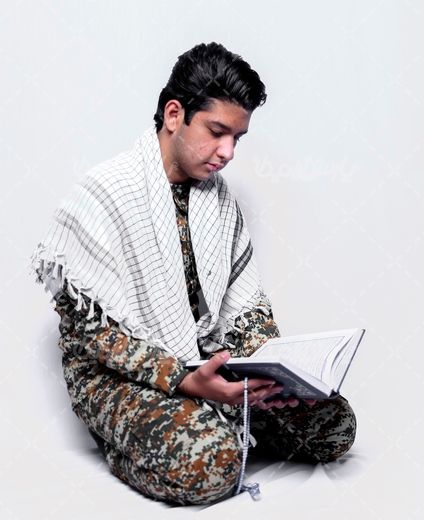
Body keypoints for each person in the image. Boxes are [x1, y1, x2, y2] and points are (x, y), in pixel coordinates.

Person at [30, 42, 356, 506]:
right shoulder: (103, 194)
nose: (227, 152)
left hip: (205, 359)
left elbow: (245, 305)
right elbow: (93, 336)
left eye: (238, 138)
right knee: (214, 464)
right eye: (217, 131)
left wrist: (273, 373)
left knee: (335, 425)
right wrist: (182, 379)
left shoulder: (219, 200)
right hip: (117, 377)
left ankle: (225, 416)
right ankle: (126, 447)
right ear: (174, 114)